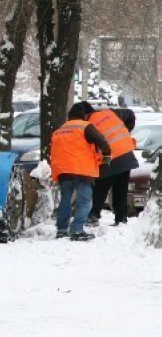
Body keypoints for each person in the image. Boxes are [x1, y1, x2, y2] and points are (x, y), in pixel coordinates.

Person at [50, 102, 111, 241]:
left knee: (65, 200)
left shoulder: (59, 130)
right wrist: (107, 154)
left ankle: (61, 229)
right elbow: (101, 140)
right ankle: (77, 230)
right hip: (81, 169)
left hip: (63, 170)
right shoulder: (85, 126)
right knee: (84, 201)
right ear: (83, 115)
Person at [80, 101, 138, 226]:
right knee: (121, 189)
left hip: (110, 158)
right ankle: (121, 218)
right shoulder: (110, 113)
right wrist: (127, 131)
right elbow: (130, 114)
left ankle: (94, 215)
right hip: (126, 154)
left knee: (100, 188)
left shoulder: (88, 125)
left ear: (84, 114)